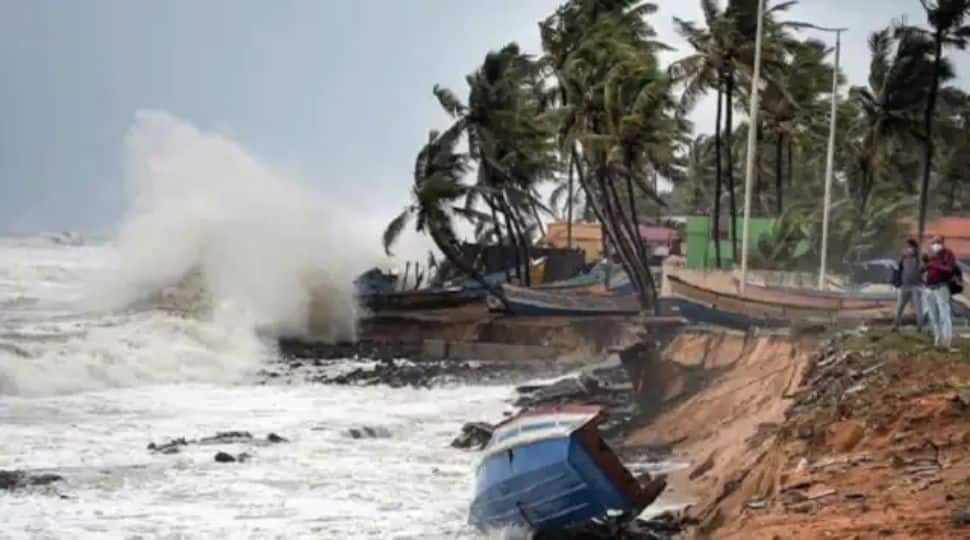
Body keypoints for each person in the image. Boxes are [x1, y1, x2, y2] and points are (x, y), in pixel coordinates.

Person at [923, 235, 956, 348]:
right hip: (930, 287)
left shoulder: (948, 254)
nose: (934, 245)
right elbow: (923, 269)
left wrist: (935, 265)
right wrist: (925, 261)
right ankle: (937, 341)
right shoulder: (931, 255)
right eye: (933, 243)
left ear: (942, 242)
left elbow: (949, 269)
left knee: (944, 315)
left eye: (936, 242)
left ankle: (947, 342)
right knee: (933, 316)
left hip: (942, 287)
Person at [891, 238, 924, 332]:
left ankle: (920, 327)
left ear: (913, 247)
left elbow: (923, 269)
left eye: (909, 247)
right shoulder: (903, 258)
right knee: (900, 307)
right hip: (905, 286)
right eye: (906, 247)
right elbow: (897, 268)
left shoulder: (919, 258)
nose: (907, 249)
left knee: (918, 307)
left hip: (916, 286)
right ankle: (895, 326)